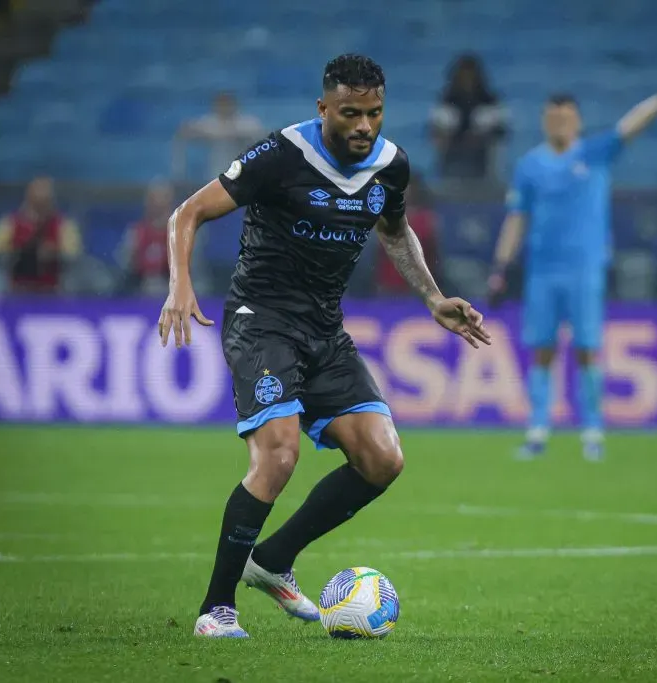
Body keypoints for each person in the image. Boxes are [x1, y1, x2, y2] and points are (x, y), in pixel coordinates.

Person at [158, 54, 491, 638]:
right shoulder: (282, 154)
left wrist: (433, 298)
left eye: (374, 113)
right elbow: (188, 214)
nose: (364, 125)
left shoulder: (390, 166)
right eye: (350, 113)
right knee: (278, 454)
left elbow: (395, 232)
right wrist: (180, 283)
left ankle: (272, 561)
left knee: (383, 458)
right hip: (262, 322)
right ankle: (217, 608)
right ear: (323, 109)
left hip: (325, 331)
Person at [488, 63, 657, 462]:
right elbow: (516, 219)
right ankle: (537, 430)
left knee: (587, 348)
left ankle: (592, 430)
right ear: (544, 121)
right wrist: (501, 267)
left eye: (566, 117)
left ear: (578, 121)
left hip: (584, 269)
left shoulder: (595, 153)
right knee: (542, 349)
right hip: (542, 271)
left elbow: (633, 123)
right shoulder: (530, 166)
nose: (559, 123)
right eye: (553, 117)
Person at [0, 176, 82, 295]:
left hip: (52, 291)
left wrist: (54, 253)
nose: (40, 208)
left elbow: (73, 255)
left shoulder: (63, 225)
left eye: (44, 202)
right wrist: (20, 252)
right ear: (29, 198)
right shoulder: (10, 223)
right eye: (37, 202)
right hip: (16, 290)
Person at [429, 53, 508, 181]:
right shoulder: (445, 107)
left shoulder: (490, 107)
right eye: (463, 78)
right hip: (450, 170)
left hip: (484, 170)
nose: (467, 82)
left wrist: (477, 138)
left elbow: (500, 135)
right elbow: (436, 138)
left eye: (471, 78)